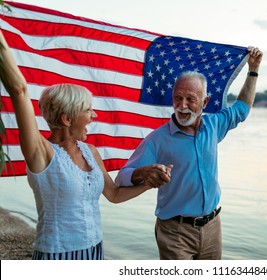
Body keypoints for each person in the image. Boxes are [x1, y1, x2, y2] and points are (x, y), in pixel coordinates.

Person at [0, 30, 172, 260]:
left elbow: (114, 194)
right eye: (88, 110)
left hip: (95, 249)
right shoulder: (42, 153)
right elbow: (19, 91)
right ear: (67, 119)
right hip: (57, 254)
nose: (94, 115)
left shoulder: (89, 152)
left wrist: (150, 183)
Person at [115, 46, 263, 259]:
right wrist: (142, 173)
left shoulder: (214, 125)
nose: (182, 106)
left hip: (213, 227)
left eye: (190, 99)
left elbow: (242, 109)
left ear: (205, 102)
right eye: (178, 98)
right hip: (175, 233)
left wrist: (253, 70)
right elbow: (122, 177)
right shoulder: (158, 139)